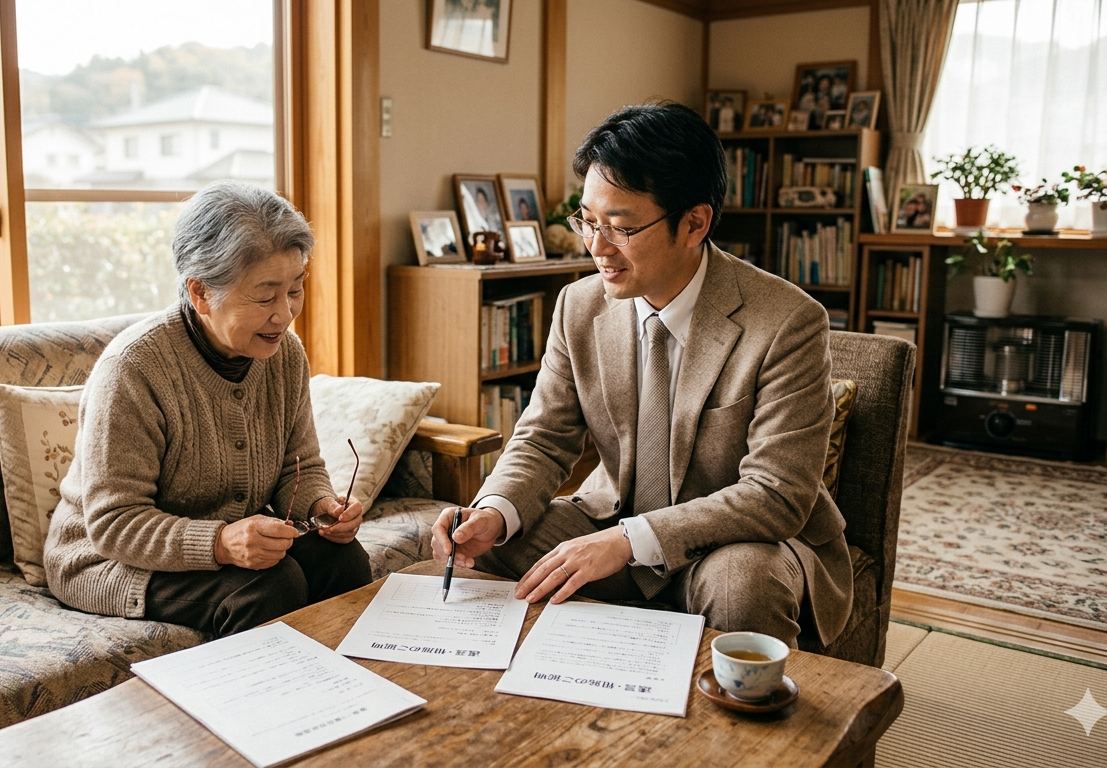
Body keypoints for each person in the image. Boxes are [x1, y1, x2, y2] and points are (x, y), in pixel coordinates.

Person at [430, 103, 854, 648]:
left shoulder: (787, 321)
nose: (597, 247)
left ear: (694, 223)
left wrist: (630, 541)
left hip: (734, 538)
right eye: (588, 221)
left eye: (621, 227)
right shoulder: (577, 306)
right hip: (611, 515)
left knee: (743, 586)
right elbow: (543, 438)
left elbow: (775, 493)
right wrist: (493, 511)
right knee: (491, 546)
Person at [44, 181, 371, 641]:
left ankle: (351, 681)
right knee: (269, 588)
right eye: (265, 296)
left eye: (295, 289)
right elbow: (114, 523)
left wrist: (322, 506)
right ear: (200, 292)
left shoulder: (285, 355)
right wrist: (219, 542)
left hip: (229, 546)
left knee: (343, 559)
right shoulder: (133, 368)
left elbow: (299, 466)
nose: (285, 313)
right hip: (110, 560)